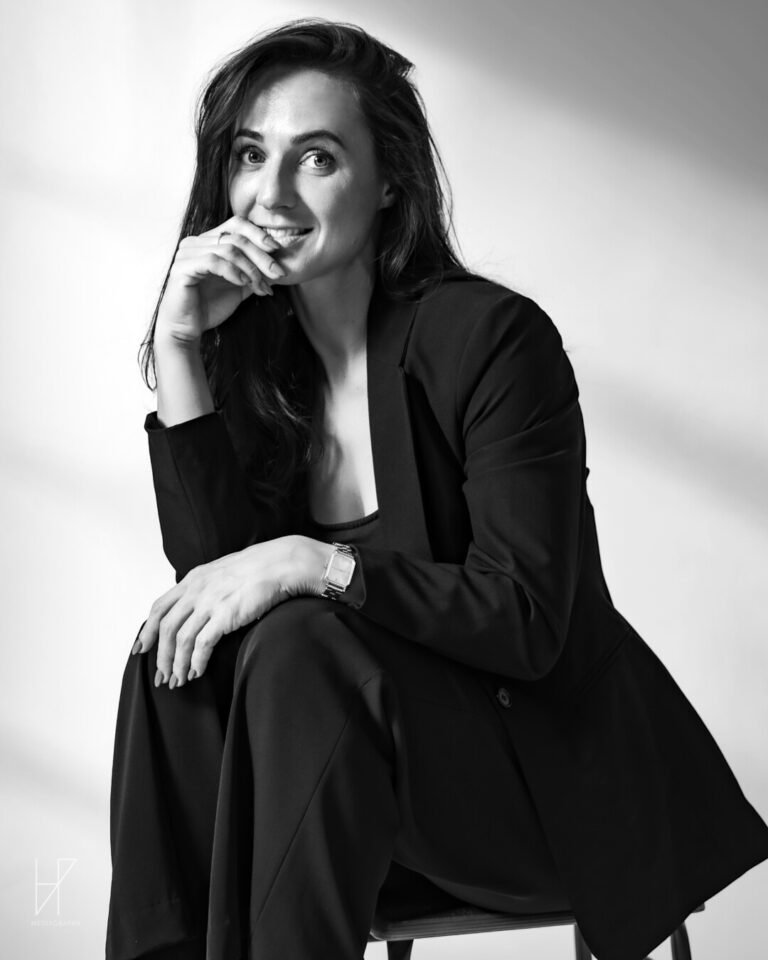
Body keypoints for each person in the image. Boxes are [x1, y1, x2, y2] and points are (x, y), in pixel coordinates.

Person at [105, 18, 768, 960]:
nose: (270, 193)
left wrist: (316, 564)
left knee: (298, 639)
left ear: (389, 183)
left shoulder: (491, 340)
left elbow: (526, 617)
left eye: (317, 158)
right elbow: (218, 594)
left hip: (542, 796)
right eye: (251, 155)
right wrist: (179, 347)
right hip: (344, 799)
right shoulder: (261, 368)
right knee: (173, 650)